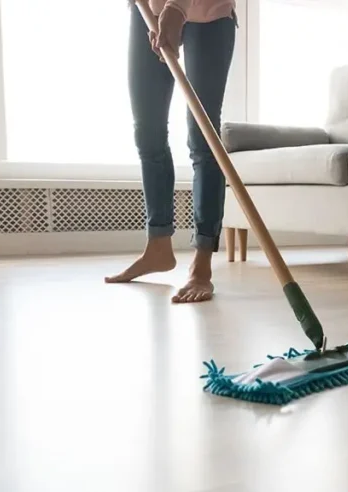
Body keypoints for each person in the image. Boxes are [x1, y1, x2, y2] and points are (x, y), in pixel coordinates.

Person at [105, 0, 237, 304]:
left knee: (203, 136)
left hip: (209, 14)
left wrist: (177, 7)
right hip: (148, 9)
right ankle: (158, 247)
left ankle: (201, 266)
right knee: (147, 130)